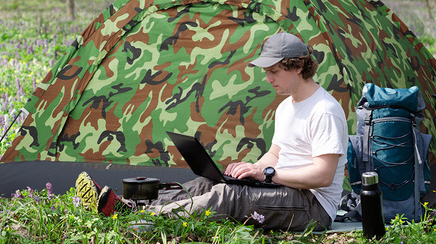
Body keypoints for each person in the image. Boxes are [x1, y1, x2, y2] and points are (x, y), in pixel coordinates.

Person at [75, 32, 348, 231]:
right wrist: (251, 169)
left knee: (230, 196)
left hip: (313, 206)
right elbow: (276, 154)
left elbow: (322, 176)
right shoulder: (286, 107)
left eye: (274, 71)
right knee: (212, 183)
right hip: (283, 188)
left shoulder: (324, 110)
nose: (268, 79)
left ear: (298, 66)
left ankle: (141, 221)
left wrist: (267, 174)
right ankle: (131, 206)